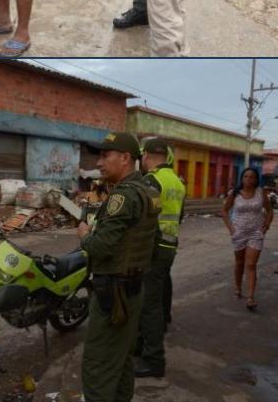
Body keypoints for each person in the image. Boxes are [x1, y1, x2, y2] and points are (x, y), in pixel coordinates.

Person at [76, 132, 160, 402]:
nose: (99, 162)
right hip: (132, 289)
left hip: (114, 295)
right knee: (121, 361)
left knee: (98, 366)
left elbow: (100, 247)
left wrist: (85, 234)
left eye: (105, 155)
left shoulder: (121, 197)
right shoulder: (148, 190)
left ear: (125, 158)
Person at [134, 138, 185, 379]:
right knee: (158, 294)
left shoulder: (151, 180)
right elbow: (179, 215)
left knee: (149, 304)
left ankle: (154, 360)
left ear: (146, 156)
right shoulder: (177, 181)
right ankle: (143, 343)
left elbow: (141, 217)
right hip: (169, 245)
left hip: (153, 247)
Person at [222, 167, 273, 310]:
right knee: (239, 262)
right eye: (246, 176)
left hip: (256, 233)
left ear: (256, 179)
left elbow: (269, 210)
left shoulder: (260, 193)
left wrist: (266, 225)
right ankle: (238, 288)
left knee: (251, 264)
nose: (249, 179)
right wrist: (231, 229)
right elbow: (224, 211)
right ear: (241, 178)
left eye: (252, 177)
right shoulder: (235, 194)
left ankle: (250, 297)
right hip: (239, 233)